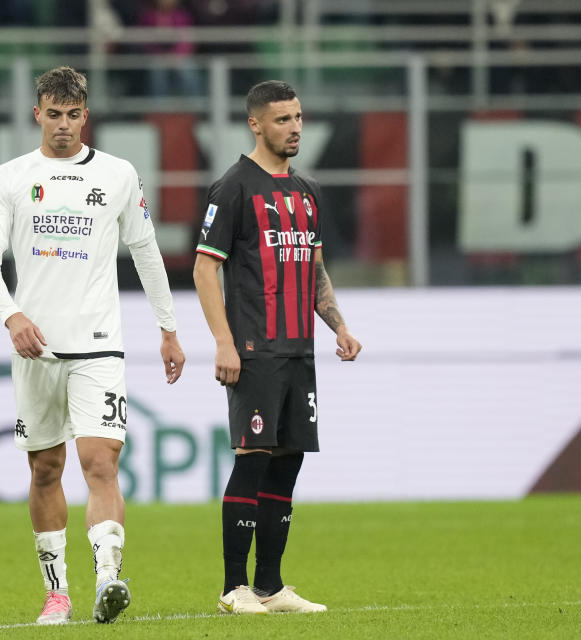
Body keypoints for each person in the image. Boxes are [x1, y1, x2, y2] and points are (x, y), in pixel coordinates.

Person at [0, 66, 185, 625]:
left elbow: (146, 252)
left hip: (98, 344)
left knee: (100, 461)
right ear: (36, 114)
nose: (63, 125)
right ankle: (57, 593)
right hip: (34, 348)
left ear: (85, 116)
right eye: (53, 113)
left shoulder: (118, 175)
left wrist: (167, 327)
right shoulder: (10, 177)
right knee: (46, 468)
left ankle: (109, 577)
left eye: (73, 115)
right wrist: (11, 316)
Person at [192, 80, 362, 615]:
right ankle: (232, 587)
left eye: (298, 117)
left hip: (299, 351)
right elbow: (204, 268)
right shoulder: (234, 188)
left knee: (288, 462)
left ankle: (269, 585)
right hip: (255, 349)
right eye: (283, 119)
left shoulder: (306, 191)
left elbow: (312, 268)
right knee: (253, 457)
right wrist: (223, 342)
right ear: (256, 124)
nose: (294, 128)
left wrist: (338, 325)